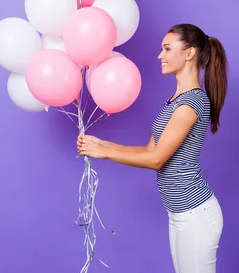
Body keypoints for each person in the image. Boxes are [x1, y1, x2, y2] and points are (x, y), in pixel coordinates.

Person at [77, 23, 229, 273]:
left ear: (189, 53)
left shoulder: (191, 103)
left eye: (167, 49)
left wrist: (105, 152)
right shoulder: (175, 101)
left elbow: (156, 160)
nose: (160, 55)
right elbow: (149, 149)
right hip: (180, 213)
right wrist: (102, 144)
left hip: (196, 215)